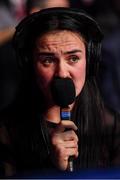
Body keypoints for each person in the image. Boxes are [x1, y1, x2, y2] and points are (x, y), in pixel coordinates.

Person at [1, 7, 120, 177]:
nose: (62, 73)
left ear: (90, 61)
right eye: (48, 60)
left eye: (73, 58)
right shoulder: (6, 131)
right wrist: (51, 167)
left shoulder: (113, 128)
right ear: (30, 66)